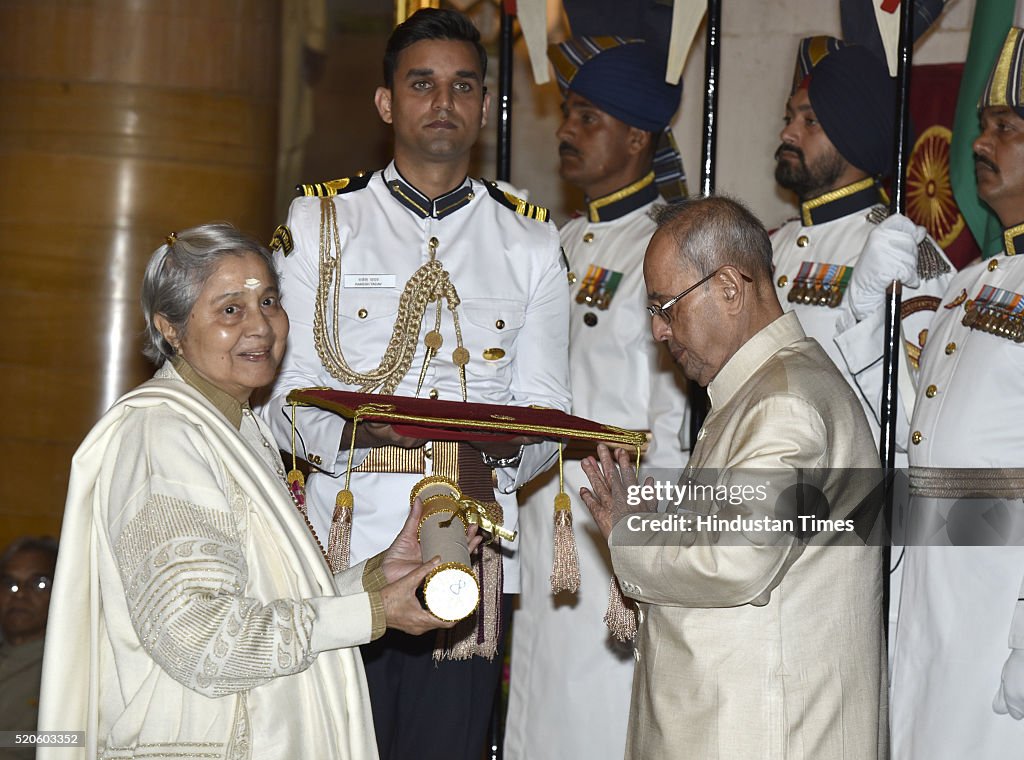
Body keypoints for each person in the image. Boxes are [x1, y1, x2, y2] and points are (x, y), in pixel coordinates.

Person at [261, 9, 570, 760]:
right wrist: (371, 436)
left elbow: (549, 413)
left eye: (463, 85)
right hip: (345, 549)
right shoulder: (323, 222)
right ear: (386, 103)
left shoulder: (530, 242)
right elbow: (281, 398)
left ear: (485, 104)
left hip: (468, 549)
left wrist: (485, 466)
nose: (443, 102)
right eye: (422, 83)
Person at [36, 223, 454, 760]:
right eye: (230, 309)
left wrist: (374, 580)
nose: (261, 325)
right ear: (172, 328)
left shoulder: (235, 424)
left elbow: (263, 602)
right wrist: (373, 613)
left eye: (269, 301)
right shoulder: (162, 433)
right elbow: (199, 637)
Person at [580, 196, 887, 759]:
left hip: (759, 733)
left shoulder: (783, 405)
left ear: (728, 286)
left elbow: (737, 558)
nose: (657, 331)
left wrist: (631, 533)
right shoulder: (761, 390)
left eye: (666, 307)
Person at [504, 37, 687, 760]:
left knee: (599, 716)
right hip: (546, 516)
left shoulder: (666, 246)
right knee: (539, 706)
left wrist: (654, 534)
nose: (566, 131)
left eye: (587, 118)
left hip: (615, 516)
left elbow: (675, 410)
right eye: (568, 115)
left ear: (637, 136)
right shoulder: (560, 241)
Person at [771, 37, 955, 636]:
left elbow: (916, 404)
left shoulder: (902, 252)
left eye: (811, 120)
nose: (790, 131)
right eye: (789, 117)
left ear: (854, 133)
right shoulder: (768, 248)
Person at [883, 26, 1024, 759]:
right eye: (981, 125)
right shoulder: (969, 285)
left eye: (1005, 128)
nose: (980, 141)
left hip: (998, 598)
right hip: (929, 591)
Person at [0, 536, 57, 759]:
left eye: (39, 584)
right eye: (9, 584)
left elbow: (73, 738)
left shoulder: (71, 669)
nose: (20, 594)